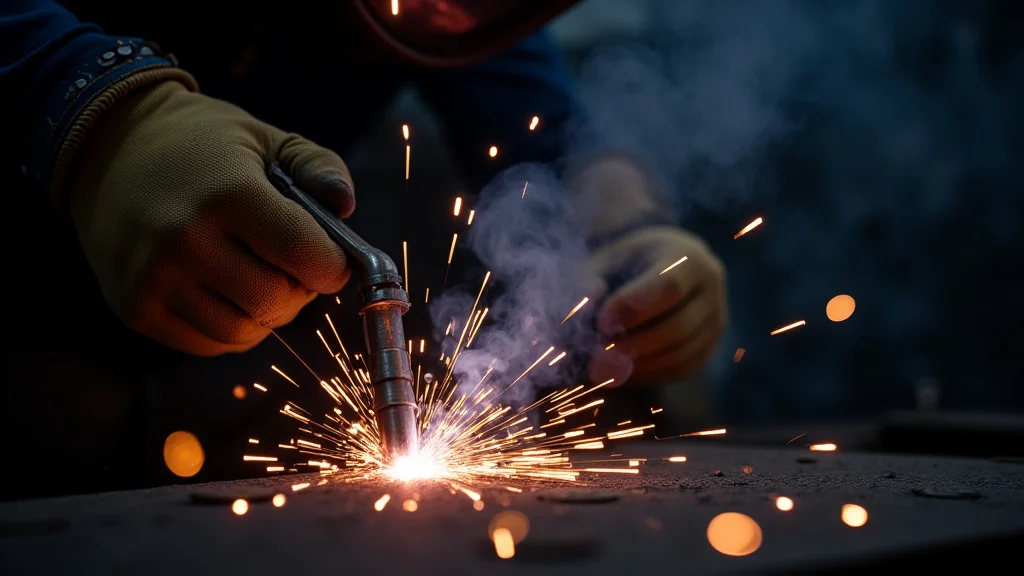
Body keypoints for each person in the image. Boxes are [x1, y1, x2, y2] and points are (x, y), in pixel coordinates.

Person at [0, 1, 727, 493]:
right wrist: (96, 112)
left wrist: (632, 235)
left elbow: (545, 132)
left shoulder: (454, 14)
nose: (448, 10)